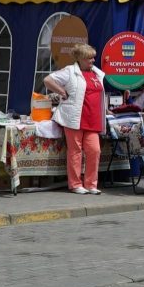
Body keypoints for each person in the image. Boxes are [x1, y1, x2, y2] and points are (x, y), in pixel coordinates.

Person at [44, 43, 106, 195]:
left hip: (92, 119)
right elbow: (48, 80)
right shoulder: (70, 71)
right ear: (80, 58)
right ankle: (75, 184)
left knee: (94, 150)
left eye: (93, 57)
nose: (92, 60)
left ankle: (91, 184)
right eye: (89, 58)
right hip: (74, 118)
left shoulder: (97, 73)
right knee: (75, 151)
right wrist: (62, 92)